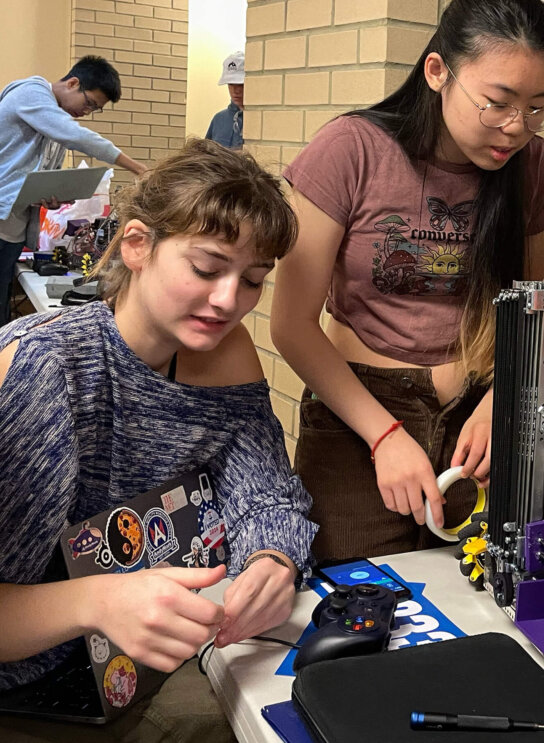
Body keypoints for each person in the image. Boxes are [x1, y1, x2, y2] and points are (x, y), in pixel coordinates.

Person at [0, 139, 317, 742]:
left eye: (253, 281)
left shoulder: (223, 352)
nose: (229, 302)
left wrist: (273, 560)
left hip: (139, 667)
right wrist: (94, 603)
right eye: (206, 268)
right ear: (137, 245)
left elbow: (268, 496)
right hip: (28, 691)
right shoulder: (44, 368)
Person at [271, 0, 544, 561]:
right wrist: (384, 434)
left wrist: (506, 397)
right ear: (438, 71)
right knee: (354, 606)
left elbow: (539, 306)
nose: (517, 126)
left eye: (537, 108)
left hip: (480, 418)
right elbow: (291, 325)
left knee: (481, 608)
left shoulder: (534, 167)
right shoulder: (350, 149)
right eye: (499, 101)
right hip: (359, 417)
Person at [0, 55, 147, 326]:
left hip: (12, 229)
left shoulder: (54, 124)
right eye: (89, 102)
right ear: (72, 83)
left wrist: (49, 196)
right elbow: (76, 136)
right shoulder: (31, 93)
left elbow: (31, 178)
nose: (86, 112)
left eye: (94, 109)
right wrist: (137, 167)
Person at [205, 51, 244, 149]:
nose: (236, 91)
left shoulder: (259, 119)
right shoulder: (219, 119)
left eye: (240, 85)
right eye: (230, 84)